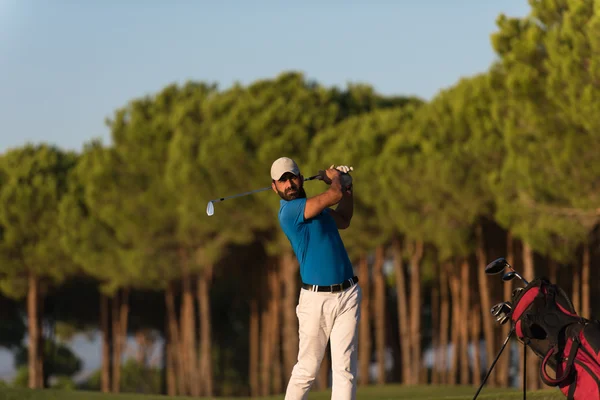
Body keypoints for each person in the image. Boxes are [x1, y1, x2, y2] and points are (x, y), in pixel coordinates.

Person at [270, 156, 362, 400]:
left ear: (300, 179)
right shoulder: (289, 212)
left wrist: (347, 187)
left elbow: (343, 219)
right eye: (282, 181)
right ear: (274, 187)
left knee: (345, 370)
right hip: (316, 301)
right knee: (307, 370)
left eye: (292, 178)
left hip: (348, 294)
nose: (289, 184)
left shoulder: (317, 210)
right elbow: (333, 196)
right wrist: (335, 180)